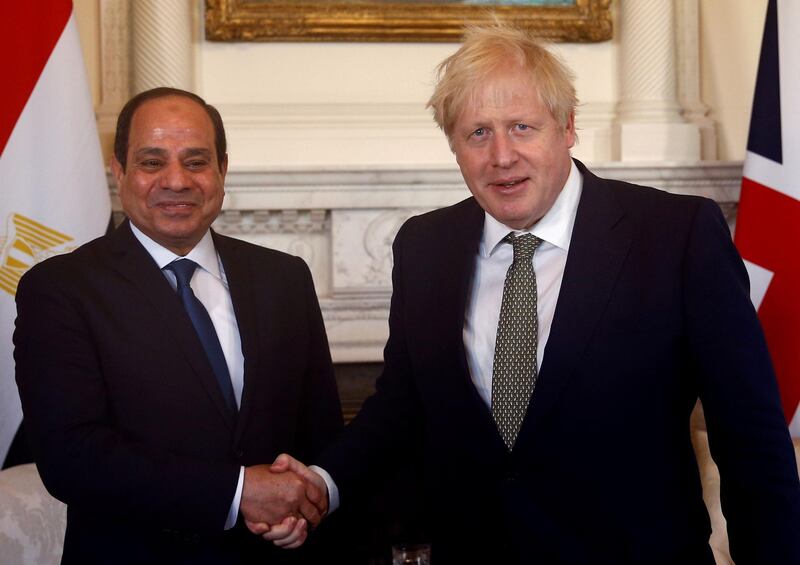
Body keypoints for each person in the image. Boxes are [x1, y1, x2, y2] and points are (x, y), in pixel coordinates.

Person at [265, 24, 800, 563]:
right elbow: (402, 404)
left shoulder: (675, 235)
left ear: (567, 127)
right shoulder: (426, 246)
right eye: (477, 133)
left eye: (522, 127)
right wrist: (320, 483)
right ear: (454, 147)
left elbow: (749, 437)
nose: (501, 156)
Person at [13, 87, 343, 564]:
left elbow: (321, 431)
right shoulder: (60, 289)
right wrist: (239, 491)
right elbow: (72, 458)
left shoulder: (284, 277)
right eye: (151, 162)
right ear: (119, 171)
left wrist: (305, 508)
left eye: (196, 161)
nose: (176, 181)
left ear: (222, 170)